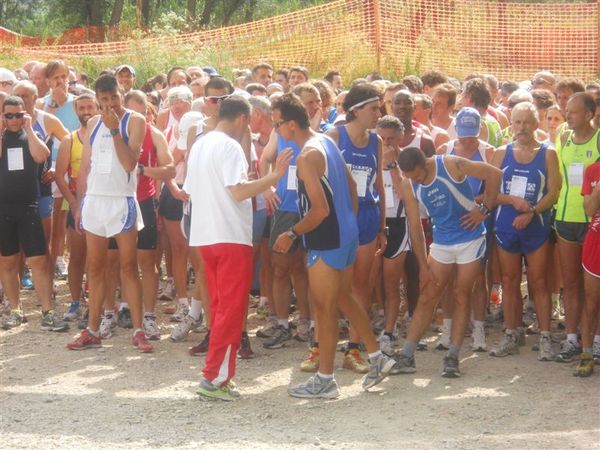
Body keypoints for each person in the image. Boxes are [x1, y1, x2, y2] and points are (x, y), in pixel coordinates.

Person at [266, 93, 395, 398]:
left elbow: (320, 210)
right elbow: (350, 187)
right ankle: (377, 358)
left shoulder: (307, 155)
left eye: (277, 124)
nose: (276, 130)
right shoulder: (327, 141)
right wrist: (347, 221)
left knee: (324, 309)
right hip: (345, 234)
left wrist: (292, 234)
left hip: (328, 238)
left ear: (292, 124)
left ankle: (325, 379)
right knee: (345, 299)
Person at [183, 96, 292, 401]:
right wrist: (274, 177)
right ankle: (213, 378)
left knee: (220, 307)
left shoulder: (201, 145)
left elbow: (191, 190)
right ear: (244, 119)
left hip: (206, 237)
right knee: (230, 310)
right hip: (230, 237)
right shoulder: (230, 147)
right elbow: (239, 191)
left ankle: (221, 376)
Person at [393, 146, 501, 377]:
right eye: (411, 178)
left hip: (470, 238)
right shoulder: (408, 183)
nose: (416, 181)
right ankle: (407, 355)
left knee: (462, 294)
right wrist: (423, 266)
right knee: (427, 295)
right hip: (442, 241)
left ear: (426, 163)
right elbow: (415, 226)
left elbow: (495, 174)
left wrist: (484, 209)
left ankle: (452, 356)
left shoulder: (451, 164)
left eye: (418, 176)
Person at [66, 74, 153, 353]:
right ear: (97, 98)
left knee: (129, 266)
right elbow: (85, 167)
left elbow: (130, 164)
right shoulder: (92, 123)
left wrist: (115, 130)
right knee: (95, 266)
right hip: (95, 201)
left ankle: (139, 330)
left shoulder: (135, 121)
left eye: (113, 97)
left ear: (121, 92)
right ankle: (92, 329)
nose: (109, 104)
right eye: (103, 99)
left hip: (121, 200)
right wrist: (79, 204)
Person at [488, 102, 560, 361]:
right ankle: (511, 332)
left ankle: (544, 337)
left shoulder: (548, 153)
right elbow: (490, 194)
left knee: (539, 282)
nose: (522, 128)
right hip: (506, 226)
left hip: (536, 227)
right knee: (509, 281)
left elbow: (554, 192)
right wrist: (512, 202)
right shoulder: (500, 153)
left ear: (536, 123)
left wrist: (532, 212)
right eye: (517, 122)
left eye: (527, 122)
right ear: (511, 125)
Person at [326, 83, 387, 373]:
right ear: (357, 110)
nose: (379, 113)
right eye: (374, 108)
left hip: (368, 217)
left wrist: (383, 226)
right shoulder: (333, 136)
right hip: (338, 219)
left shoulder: (376, 141)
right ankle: (318, 346)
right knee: (330, 284)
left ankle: (352, 349)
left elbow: (379, 186)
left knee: (361, 284)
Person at [0, 96, 67, 332]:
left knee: (38, 259)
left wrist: (29, 128)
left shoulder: (29, 135)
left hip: (29, 205)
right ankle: (15, 310)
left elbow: (41, 156)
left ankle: (47, 311)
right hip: (4, 209)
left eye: (19, 115)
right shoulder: (2, 136)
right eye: (9, 115)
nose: (14, 120)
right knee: (7, 261)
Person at [437, 107, 495, 352]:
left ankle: (478, 330)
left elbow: (494, 183)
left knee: (477, 279)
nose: (468, 140)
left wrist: (479, 207)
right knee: (448, 279)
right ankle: (447, 329)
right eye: (463, 135)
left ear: (480, 130)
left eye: (472, 135)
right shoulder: (445, 150)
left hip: (477, 220)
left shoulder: (488, 152)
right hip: (451, 222)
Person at [554, 92, 600, 362]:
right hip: (566, 219)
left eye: (572, 111)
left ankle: (594, 340)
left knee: (594, 288)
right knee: (570, 283)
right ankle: (572, 338)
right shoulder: (563, 138)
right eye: (566, 110)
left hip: (593, 222)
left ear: (588, 114)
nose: (567, 114)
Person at [54, 93, 98, 322]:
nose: (86, 111)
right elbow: (59, 175)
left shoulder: (105, 136)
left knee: (97, 258)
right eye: (82, 108)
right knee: (78, 257)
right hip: (78, 206)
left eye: (90, 107)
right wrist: (72, 202)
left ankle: (95, 303)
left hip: (101, 204)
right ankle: (74, 302)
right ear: (76, 110)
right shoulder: (69, 140)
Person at [575, 159, 600, 376]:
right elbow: (589, 209)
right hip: (596, 243)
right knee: (591, 301)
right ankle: (587, 352)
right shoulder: (593, 170)